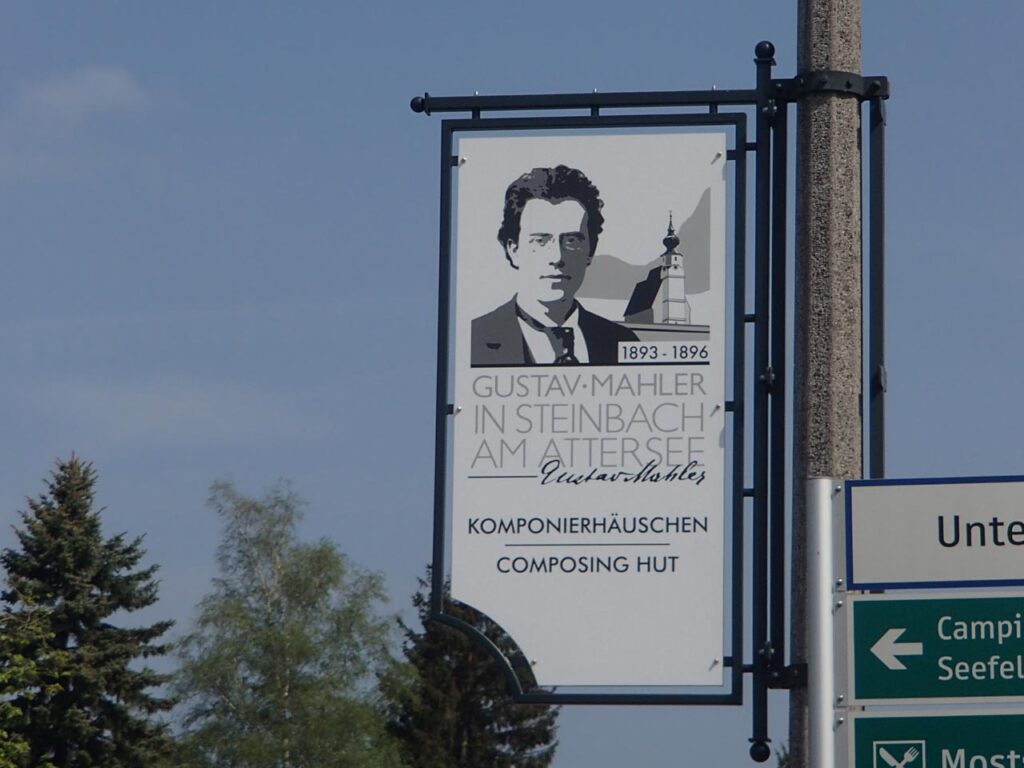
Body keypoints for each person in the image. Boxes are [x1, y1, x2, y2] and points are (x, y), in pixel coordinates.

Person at [471, 165, 638, 366]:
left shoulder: (621, 342)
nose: (557, 257)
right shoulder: (474, 340)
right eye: (540, 241)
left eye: (572, 241)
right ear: (513, 250)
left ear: (591, 251)